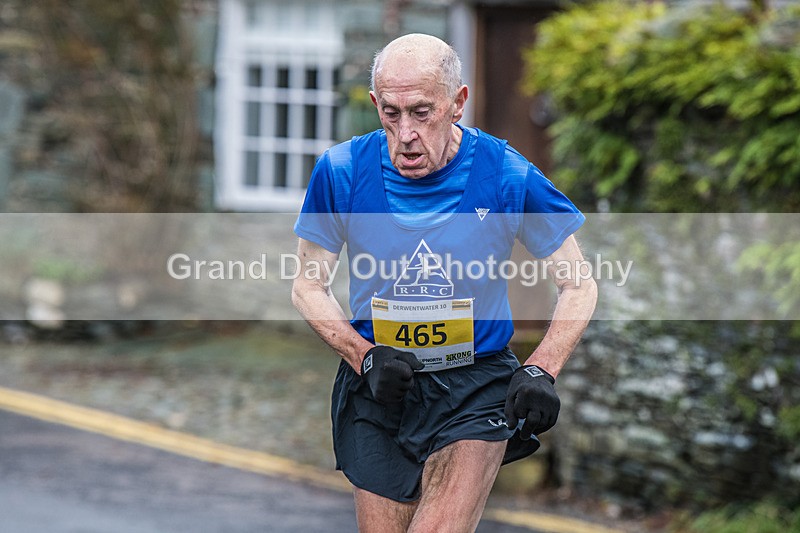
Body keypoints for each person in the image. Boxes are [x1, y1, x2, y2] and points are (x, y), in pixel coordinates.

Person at [291, 33, 597, 533]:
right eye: (390, 113)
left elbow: (579, 284)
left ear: (458, 103)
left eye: (421, 112)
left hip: (475, 386)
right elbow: (307, 286)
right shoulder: (342, 171)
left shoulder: (505, 174)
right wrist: (362, 353)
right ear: (375, 104)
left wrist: (542, 367)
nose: (405, 133)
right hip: (379, 383)